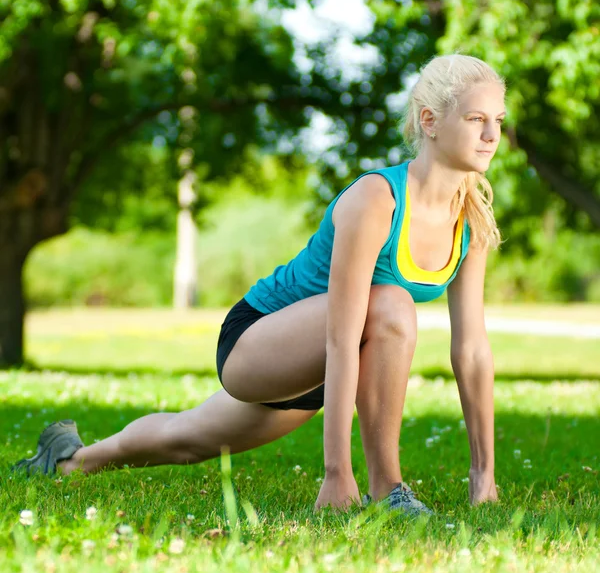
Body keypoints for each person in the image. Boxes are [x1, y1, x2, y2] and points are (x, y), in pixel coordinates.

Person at [13, 54, 504, 516]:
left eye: (498, 122)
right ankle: (387, 490)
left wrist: (484, 475)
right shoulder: (378, 199)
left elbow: (473, 349)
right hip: (261, 339)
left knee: (186, 441)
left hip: (323, 371)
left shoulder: (472, 215)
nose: (490, 135)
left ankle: (68, 459)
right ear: (429, 120)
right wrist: (336, 473)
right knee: (393, 304)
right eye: (476, 119)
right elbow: (341, 331)